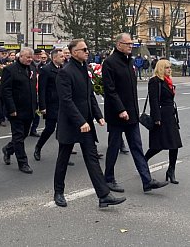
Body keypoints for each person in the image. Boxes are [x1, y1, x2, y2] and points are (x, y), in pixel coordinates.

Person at [53, 38, 126, 208]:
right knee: (63, 159)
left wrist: (98, 115)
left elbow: (89, 95)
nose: (87, 51)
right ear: (74, 52)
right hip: (71, 123)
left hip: (86, 123)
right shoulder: (66, 72)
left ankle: (103, 195)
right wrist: (80, 121)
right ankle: (58, 192)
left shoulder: (83, 67)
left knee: (92, 158)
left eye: (87, 49)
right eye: (83, 49)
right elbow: (66, 100)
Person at [102, 33, 168, 193]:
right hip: (117, 114)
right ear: (118, 44)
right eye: (128, 43)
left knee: (137, 147)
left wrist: (133, 111)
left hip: (131, 114)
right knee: (114, 146)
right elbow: (110, 90)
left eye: (131, 43)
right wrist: (121, 109)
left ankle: (147, 181)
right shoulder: (110, 63)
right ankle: (109, 179)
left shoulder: (129, 61)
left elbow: (131, 90)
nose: (131, 46)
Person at [1, 47, 40, 174]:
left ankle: (8, 149)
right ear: (20, 56)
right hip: (16, 110)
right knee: (18, 136)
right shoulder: (10, 70)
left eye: (31, 57)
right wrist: (11, 109)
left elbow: (33, 89)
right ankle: (23, 162)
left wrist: (36, 106)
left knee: (24, 134)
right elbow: (6, 91)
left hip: (29, 109)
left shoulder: (33, 69)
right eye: (27, 57)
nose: (30, 59)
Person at [144, 59, 182, 184]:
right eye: (167, 67)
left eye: (170, 67)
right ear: (160, 68)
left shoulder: (168, 81)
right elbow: (153, 101)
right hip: (161, 116)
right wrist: (157, 118)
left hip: (170, 115)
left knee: (174, 144)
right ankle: (143, 162)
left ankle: (171, 171)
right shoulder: (155, 81)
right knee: (157, 145)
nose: (169, 69)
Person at [34, 49, 65, 161]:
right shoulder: (46, 70)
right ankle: (38, 147)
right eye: (61, 56)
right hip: (51, 104)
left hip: (63, 104)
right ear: (54, 58)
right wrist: (42, 107)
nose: (63, 58)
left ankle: (64, 156)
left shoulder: (64, 68)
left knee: (63, 130)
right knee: (49, 129)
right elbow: (42, 90)